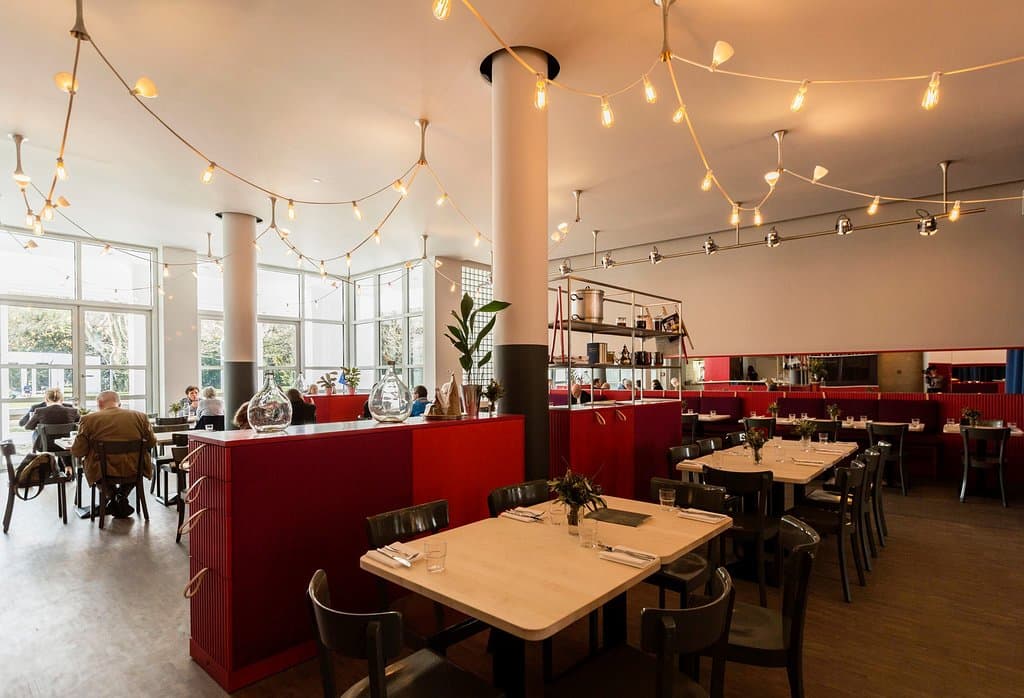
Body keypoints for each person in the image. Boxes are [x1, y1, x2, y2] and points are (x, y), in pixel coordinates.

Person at [70, 391, 156, 518]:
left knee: (94, 466)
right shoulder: (141, 417)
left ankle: (113, 497)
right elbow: (151, 443)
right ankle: (120, 497)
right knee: (136, 468)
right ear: (119, 403)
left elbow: (78, 451)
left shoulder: (88, 419)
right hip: (133, 468)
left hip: (101, 470)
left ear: (99, 403)